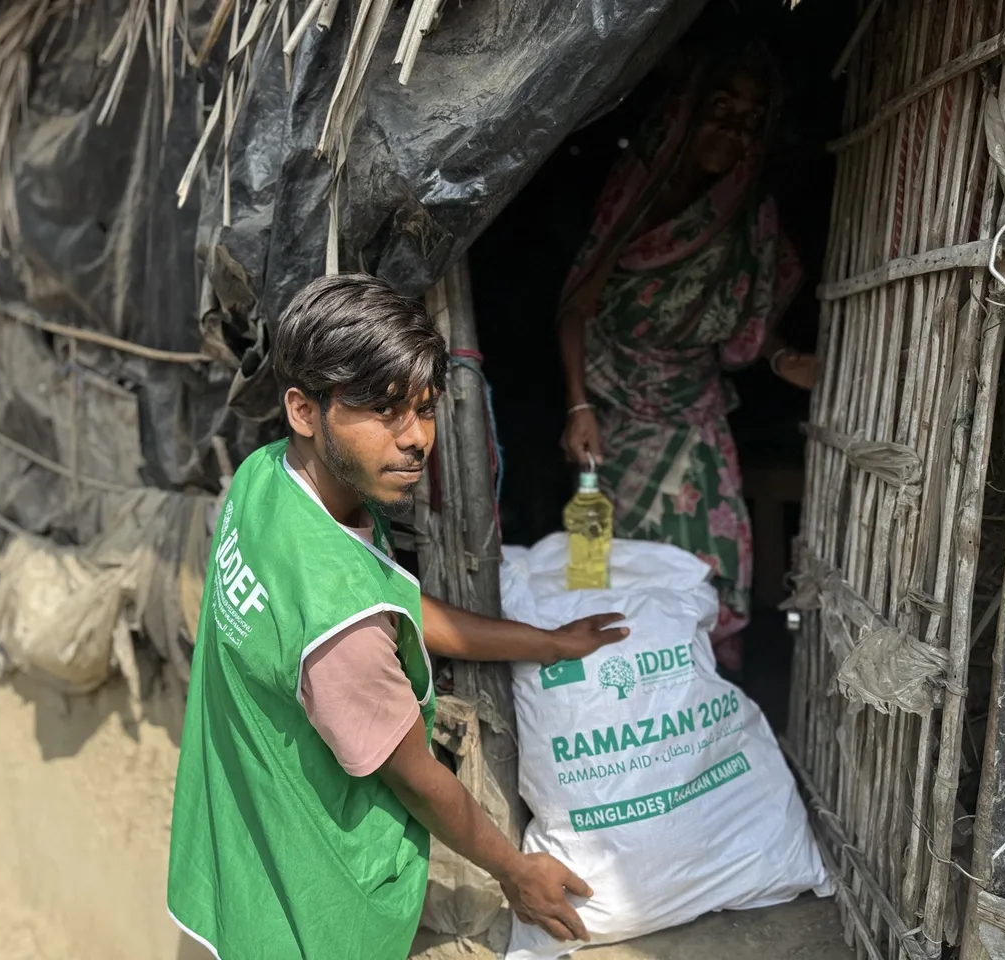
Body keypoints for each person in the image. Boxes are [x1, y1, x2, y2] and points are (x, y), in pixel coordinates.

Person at [168, 274, 628, 959]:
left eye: (424, 408)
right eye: (384, 412)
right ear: (304, 409)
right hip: (319, 908)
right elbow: (418, 780)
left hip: (240, 846)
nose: (417, 439)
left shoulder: (264, 482)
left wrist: (545, 643)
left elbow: (391, 602)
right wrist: (515, 871)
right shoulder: (341, 631)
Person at [558, 44, 816, 675]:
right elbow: (574, 309)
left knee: (712, 566)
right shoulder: (636, 194)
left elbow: (750, 322)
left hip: (695, 415)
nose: (731, 128)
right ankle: (626, 693)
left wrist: (783, 357)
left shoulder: (749, 216)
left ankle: (703, 698)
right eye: (720, 107)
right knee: (608, 567)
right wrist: (579, 406)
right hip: (612, 418)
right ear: (686, 112)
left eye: (749, 119)